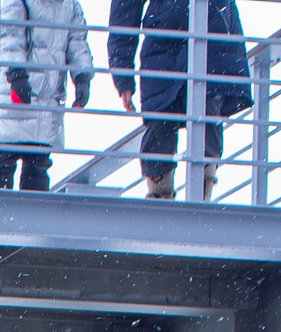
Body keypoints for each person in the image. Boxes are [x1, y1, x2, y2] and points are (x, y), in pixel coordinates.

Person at [108, 0, 252, 200]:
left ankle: (197, 201)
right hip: (167, 45)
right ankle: (163, 201)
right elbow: (125, 9)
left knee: (205, 116)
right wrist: (122, 73)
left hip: (206, 38)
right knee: (162, 122)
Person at [0, 0, 95, 192]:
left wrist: (82, 77)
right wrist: (16, 72)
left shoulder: (70, 6)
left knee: (38, 166)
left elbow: (78, 42)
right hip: (16, 93)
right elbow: (10, 35)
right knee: (4, 161)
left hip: (47, 101)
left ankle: (31, 216)